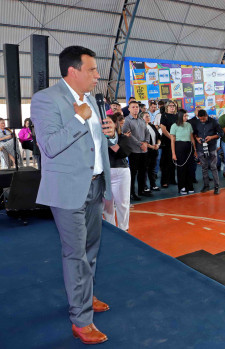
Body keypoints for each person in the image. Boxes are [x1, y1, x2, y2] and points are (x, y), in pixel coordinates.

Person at [30, 46, 116, 344]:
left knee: (91, 248)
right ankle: (80, 320)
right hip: (68, 190)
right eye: (92, 70)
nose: (97, 75)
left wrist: (111, 133)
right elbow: (50, 146)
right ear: (73, 71)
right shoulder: (45, 99)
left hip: (95, 183)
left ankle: (86, 295)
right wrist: (79, 119)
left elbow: (100, 142)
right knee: (75, 253)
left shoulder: (92, 99)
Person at [103, 113, 136, 232]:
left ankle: (123, 228)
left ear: (115, 124)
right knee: (107, 205)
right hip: (104, 173)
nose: (107, 126)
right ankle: (111, 229)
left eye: (109, 123)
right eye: (104, 123)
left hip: (121, 172)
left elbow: (123, 153)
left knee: (122, 203)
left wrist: (111, 140)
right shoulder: (98, 139)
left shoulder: (122, 138)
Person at [122, 100, 151, 200]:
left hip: (144, 150)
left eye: (137, 107)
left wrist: (146, 143)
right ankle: (132, 193)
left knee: (143, 172)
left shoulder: (141, 120)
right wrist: (140, 144)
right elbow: (129, 135)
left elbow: (147, 132)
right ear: (129, 109)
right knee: (133, 173)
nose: (135, 109)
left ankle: (141, 190)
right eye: (133, 107)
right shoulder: (126, 121)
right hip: (133, 151)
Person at [193, 109, 223, 194]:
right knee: (204, 167)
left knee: (213, 167)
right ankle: (206, 185)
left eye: (204, 119)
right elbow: (194, 133)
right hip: (201, 148)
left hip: (212, 147)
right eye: (200, 119)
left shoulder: (214, 122)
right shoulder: (197, 122)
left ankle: (217, 186)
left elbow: (221, 133)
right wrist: (197, 138)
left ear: (207, 116)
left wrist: (211, 137)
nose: (202, 120)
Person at [170, 109, 196, 195]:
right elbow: (172, 140)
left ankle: (189, 185)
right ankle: (182, 187)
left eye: (187, 116)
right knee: (181, 168)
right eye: (185, 116)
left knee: (190, 167)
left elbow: (192, 138)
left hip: (189, 147)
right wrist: (173, 153)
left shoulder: (189, 125)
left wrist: (195, 149)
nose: (186, 117)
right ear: (180, 116)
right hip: (179, 147)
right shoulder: (174, 126)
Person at [159, 101, 178, 188]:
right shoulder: (164, 115)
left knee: (173, 161)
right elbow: (163, 128)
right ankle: (164, 181)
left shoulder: (176, 116)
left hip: (176, 140)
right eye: (170, 106)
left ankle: (172, 179)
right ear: (167, 107)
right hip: (167, 141)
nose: (172, 107)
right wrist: (171, 138)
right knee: (166, 162)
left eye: (173, 106)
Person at [143, 111, 161, 191]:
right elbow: (142, 141)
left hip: (154, 150)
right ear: (141, 118)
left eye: (149, 116)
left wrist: (158, 145)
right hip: (146, 152)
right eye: (146, 116)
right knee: (144, 169)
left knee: (152, 169)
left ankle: (153, 185)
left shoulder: (152, 126)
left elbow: (159, 137)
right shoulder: (141, 128)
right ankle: (144, 186)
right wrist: (152, 147)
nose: (148, 118)